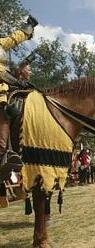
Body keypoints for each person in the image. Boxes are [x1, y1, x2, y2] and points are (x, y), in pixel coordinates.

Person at [0, 15, 38, 208]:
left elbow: (14, 38)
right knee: (0, 144)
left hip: (4, 98)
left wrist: (28, 27)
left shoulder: (1, 43)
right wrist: (9, 76)